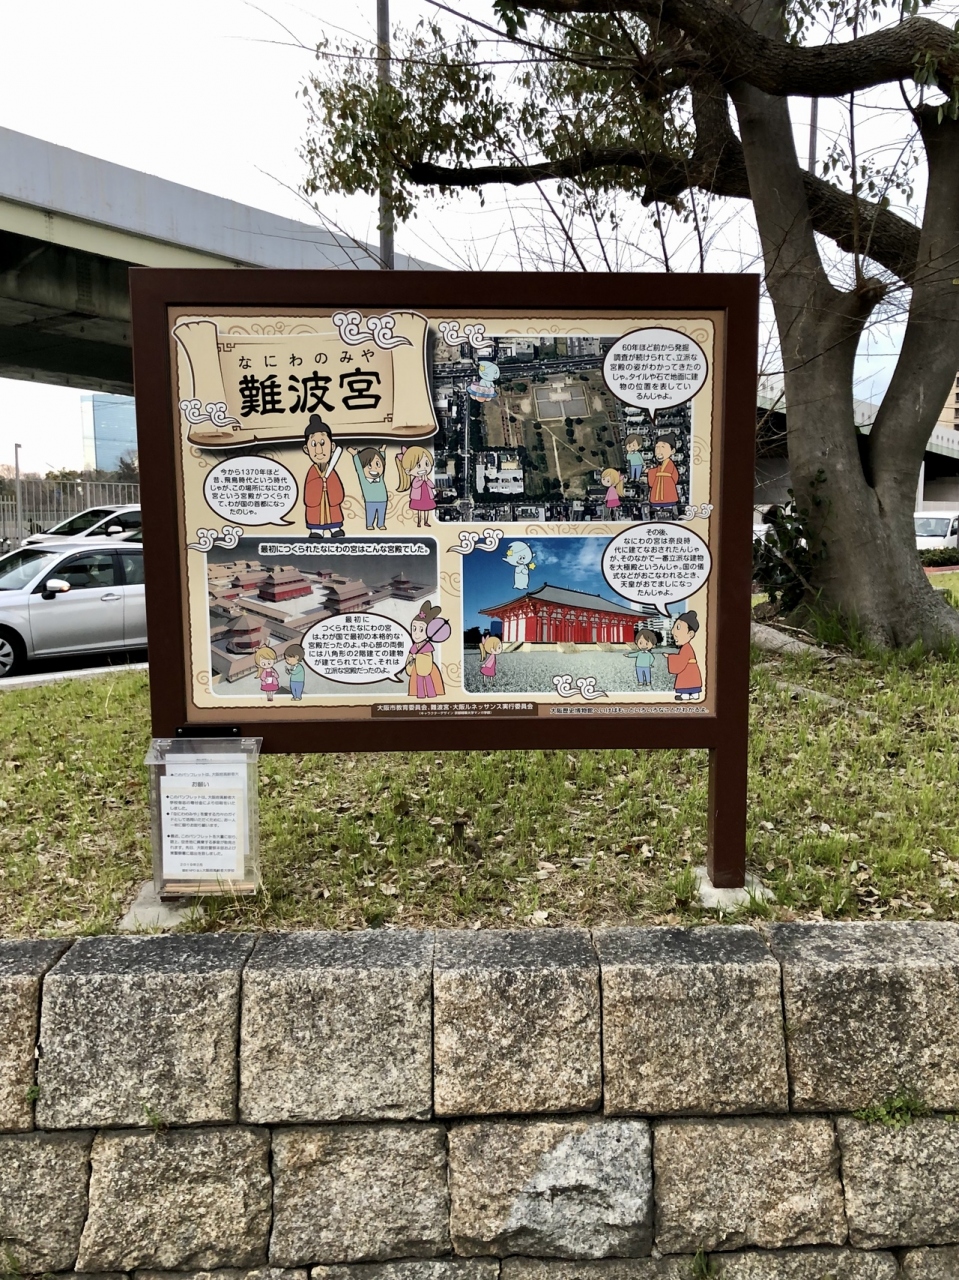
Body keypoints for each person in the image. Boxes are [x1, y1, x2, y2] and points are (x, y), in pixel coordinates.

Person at [302, 416, 345, 539]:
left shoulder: (331, 472)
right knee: (315, 520)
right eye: (313, 444)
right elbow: (309, 495)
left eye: (322, 443)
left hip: (331, 507)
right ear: (306, 449)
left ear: (332, 447)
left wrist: (328, 485)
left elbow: (338, 492)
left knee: (334, 515)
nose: (319, 450)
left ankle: (335, 528)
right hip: (316, 509)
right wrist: (319, 484)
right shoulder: (312, 472)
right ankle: (316, 530)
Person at [405, 600, 449, 698]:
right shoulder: (414, 646)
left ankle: (428, 695)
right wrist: (411, 659)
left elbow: (427, 659)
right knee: (416, 684)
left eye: (421, 629)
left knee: (427, 683)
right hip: (416, 670)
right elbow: (410, 658)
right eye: (414, 628)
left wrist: (417, 657)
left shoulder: (427, 646)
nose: (416, 633)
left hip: (426, 670)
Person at [349, 445, 388, 530]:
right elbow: (359, 468)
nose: (375, 468)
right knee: (370, 513)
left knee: (381, 513)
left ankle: (381, 524)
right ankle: (369, 524)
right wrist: (355, 455)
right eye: (369, 466)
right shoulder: (364, 479)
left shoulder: (380, 477)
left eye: (377, 464)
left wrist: (382, 451)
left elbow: (382, 461)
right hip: (370, 500)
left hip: (383, 499)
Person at [396, 446, 436, 528]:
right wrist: (421, 480)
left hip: (427, 495)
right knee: (419, 510)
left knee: (427, 509)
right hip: (419, 497)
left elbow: (432, 486)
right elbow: (415, 485)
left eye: (426, 464)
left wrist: (426, 480)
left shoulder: (426, 478)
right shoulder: (416, 479)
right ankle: (419, 522)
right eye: (418, 465)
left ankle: (426, 521)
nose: (424, 468)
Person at [667, 611, 702, 700]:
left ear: (690, 634)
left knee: (687, 682)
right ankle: (695, 694)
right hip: (691, 669)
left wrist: (670, 657)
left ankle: (685, 695)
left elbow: (681, 659)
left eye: (678, 627)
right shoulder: (687, 647)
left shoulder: (686, 648)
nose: (673, 632)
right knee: (693, 681)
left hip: (687, 670)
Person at [645, 433, 680, 514]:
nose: (659, 450)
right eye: (657, 447)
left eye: (663, 447)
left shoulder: (670, 464)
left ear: (672, 451)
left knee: (668, 496)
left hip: (667, 484)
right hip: (658, 483)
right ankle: (657, 508)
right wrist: (650, 471)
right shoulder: (659, 467)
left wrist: (669, 482)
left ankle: (668, 507)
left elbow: (675, 477)